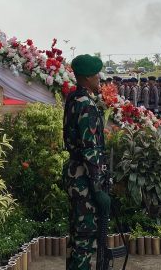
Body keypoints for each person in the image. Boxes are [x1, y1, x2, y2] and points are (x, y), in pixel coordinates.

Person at [63, 54, 109, 270]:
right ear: (88, 77)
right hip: (85, 178)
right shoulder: (86, 105)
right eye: (96, 74)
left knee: (76, 233)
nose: (99, 78)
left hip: (75, 173)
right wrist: (98, 188)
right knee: (85, 235)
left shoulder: (74, 98)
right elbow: (90, 149)